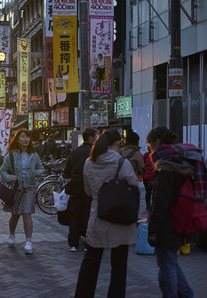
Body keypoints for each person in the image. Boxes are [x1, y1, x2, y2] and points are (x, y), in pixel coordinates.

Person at [74, 129, 139, 298]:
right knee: (119, 266)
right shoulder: (121, 163)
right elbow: (135, 187)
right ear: (117, 144)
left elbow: (88, 191)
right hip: (121, 219)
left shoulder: (90, 162)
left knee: (91, 262)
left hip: (98, 217)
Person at [146, 126, 202, 298]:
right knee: (170, 261)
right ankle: (186, 294)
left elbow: (160, 201)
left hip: (168, 222)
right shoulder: (184, 157)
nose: (149, 151)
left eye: (149, 146)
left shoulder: (166, 164)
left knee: (167, 264)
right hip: (183, 218)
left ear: (157, 142)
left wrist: (153, 228)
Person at [0, 129, 44, 254]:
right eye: (23, 137)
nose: (26, 139)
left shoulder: (33, 155)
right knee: (15, 215)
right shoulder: (11, 156)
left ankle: (28, 241)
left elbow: (41, 168)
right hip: (16, 189)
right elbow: (3, 171)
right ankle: (12, 235)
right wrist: (10, 177)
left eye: (28, 137)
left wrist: (37, 172)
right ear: (18, 139)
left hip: (29, 188)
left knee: (27, 214)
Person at [64, 128, 97, 252]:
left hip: (76, 186)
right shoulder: (93, 152)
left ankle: (73, 243)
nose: (96, 139)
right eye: (95, 137)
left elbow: (67, 170)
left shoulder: (75, 152)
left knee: (75, 214)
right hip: (89, 187)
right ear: (90, 138)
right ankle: (88, 243)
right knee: (88, 214)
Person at [142, 146, 155, 212]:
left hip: (147, 178)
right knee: (153, 193)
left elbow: (142, 165)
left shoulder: (146, 155)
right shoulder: (156, 155)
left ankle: (148, 206)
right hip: (152, 178)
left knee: (148, 192)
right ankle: (151, 206)